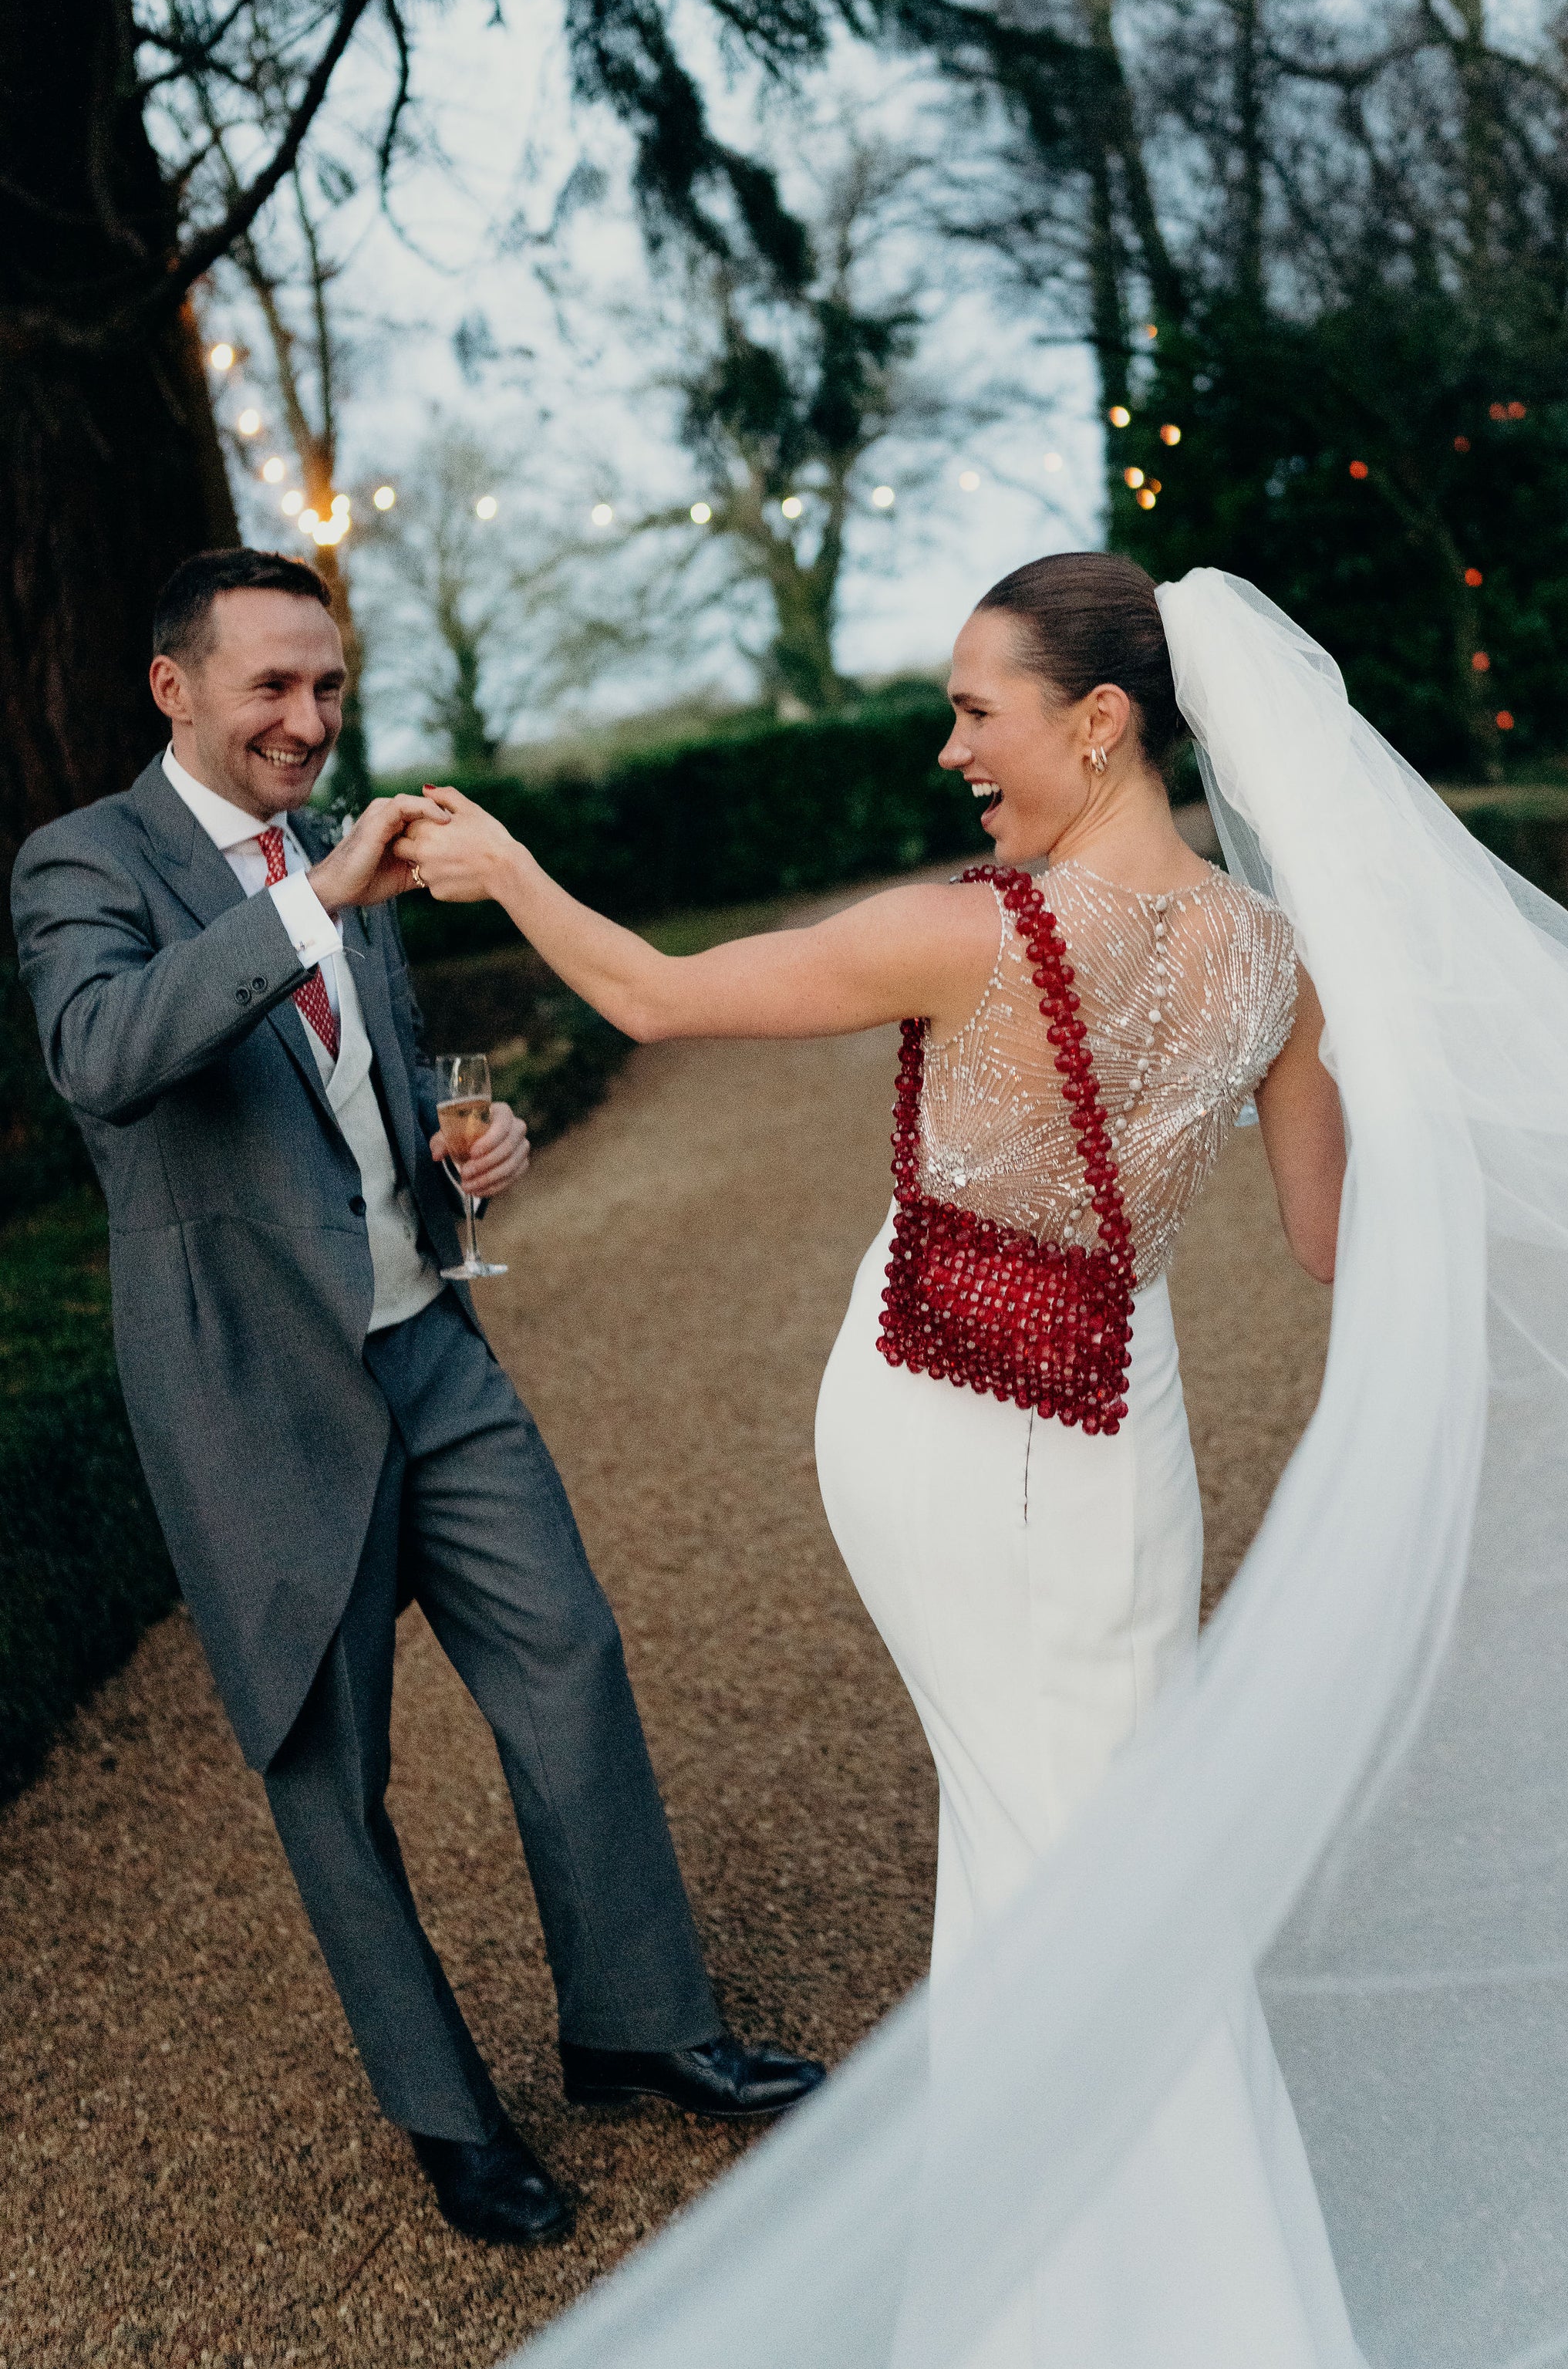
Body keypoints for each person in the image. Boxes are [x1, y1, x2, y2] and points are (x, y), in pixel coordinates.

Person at [393, 550, 1354, 2350]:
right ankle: (1155, 2272)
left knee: (1029, 1848)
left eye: (974, 711)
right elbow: (1327, 1237)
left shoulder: (965, 930)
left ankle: (1060, 2291)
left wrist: (510, 866)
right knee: (1101, 1838)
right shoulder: (1277, 960)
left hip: (943, 1417)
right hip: (1119, 1427)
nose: (947, 751)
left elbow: (659, 999)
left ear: (1098, 719)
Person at [9, 547, 822, 2254]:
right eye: (274, 689)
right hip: (252, 1402)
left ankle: (635, 2024)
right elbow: (105, 1052)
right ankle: (451, 2122)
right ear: (176, 689)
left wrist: (473, 1160)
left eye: (329, 685)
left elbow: (364, 1100)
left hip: (429, 1352)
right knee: (331, 1766)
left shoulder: (338, 849)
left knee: (569, 1659)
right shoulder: (84, 863)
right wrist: (313, 901)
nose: (313, 721)